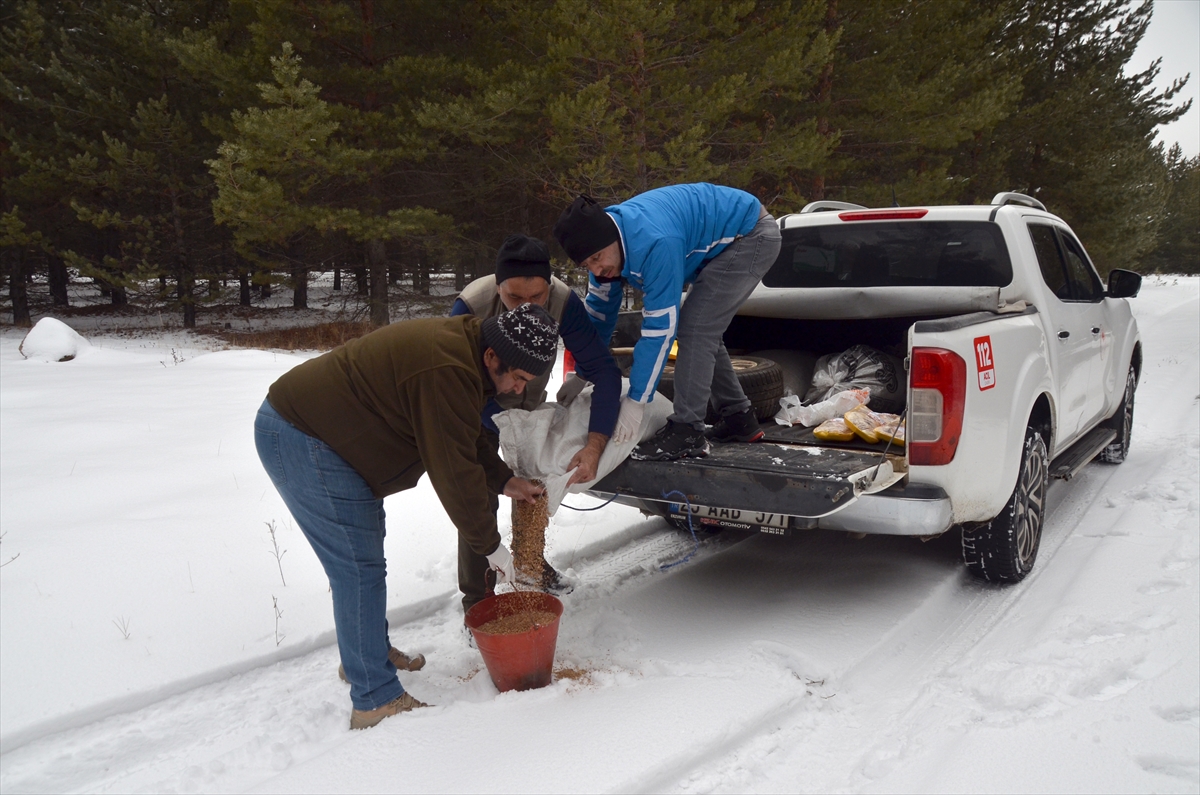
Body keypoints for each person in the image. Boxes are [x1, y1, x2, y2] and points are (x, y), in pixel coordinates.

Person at [253, 303, 558, 729]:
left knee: (364, 557)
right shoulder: (445, 367)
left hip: (330, 437)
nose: (515, 389)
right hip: (304, 435)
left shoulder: (468, 354)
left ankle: (366, 656)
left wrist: (507, 481)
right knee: (357, 567)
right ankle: (374, 697)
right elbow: (453, 470)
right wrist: (491, 546)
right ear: (493, 356)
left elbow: (464, 436)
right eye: (518, 377)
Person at [552, 183, 782, 461]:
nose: (597, 270)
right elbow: (599, 316)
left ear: (610, 238)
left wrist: (637, 401)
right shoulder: (605, 253)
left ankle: (688, 431)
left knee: (697, 329)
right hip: (724, 238)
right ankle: (738, 418)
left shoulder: (654, 243)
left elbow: (660, 330)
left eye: (597, 259)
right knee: (700, 329)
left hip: (750, 235)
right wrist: (583, 372)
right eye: (587, 265)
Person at [450, 234, 620, 606]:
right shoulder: (471, 305)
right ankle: (478, 598)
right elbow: (452, 383)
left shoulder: (562, 301)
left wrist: (594, 445)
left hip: (527, 404)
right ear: (498, 287)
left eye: (536, 298)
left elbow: (605, 372)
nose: (526, 307)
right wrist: (491, 431)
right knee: (479, 494)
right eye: (513, 298)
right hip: (476, 408)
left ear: (549, 287)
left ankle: (529, 563)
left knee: (533, 484)